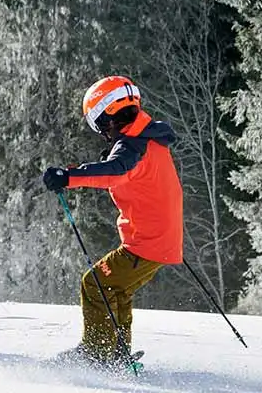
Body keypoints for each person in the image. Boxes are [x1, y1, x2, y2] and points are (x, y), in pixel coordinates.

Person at [41, 75, 184, 369]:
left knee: (94, 283)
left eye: (98, 124)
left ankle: (95, 356)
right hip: (158, 238)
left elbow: (115, 172)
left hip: (148, 242)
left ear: (106, 115)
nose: (101, 133)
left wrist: (68, 177)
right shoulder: (148, 138)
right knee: (116, 288)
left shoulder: (133, 146)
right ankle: (117, 356)